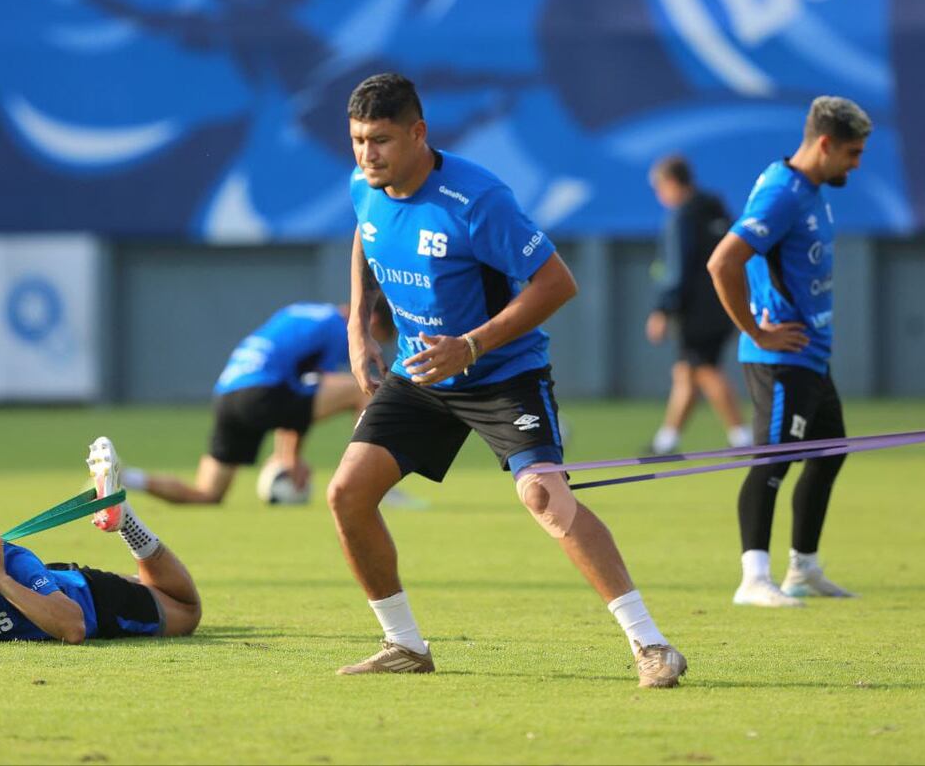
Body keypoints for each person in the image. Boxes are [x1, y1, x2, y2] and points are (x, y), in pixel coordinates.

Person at [328, 72, 687, 687]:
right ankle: (404, 644)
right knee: (346, 494)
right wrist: (359, 329)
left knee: (545, 497)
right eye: (358, 140)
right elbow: (366, 236)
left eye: (380, 140)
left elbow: (557, 284)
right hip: (421, 373)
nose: (367, 154)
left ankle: (651, 645)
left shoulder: (478, 199)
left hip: (502, 374)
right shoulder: (366, 184)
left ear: (418, 133)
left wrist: (470, 346)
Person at [706, 96, 871, 607]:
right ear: (825, 144)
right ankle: (753, 578)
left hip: (811, 353)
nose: (856, 164)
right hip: (781, 358)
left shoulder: (809, 189)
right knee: (772, 461)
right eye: (852, 152)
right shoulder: (782, 194)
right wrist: (757, 332)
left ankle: (803, 567)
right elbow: (723, 262)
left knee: (829, 452)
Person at [0, 437, 201, 644]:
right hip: (58, 578)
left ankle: (127, 522)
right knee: (153, 587)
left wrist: (2, 582)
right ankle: (123, 517)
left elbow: (73, 628)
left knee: (187, 612)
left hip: (99, 601)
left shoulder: (8, 561)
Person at [122, 300, 396, 505]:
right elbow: (307, 391)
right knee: (364, 389)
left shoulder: (301, 311)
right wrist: (290, 459)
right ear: (371, 320)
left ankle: (125, 478)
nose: (370, 347)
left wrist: (288, 456)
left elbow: (297, 394)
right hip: (261, 393)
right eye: (375, 340)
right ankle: (372, 483)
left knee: (207, 494)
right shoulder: (337, 328)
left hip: (227, 395)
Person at [645, 155, 752, 454]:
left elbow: (677, 269)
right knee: (686, 372)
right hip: (726, 302)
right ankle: (667, 440)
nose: (660, 196)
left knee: (705, 369)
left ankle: (742, 437)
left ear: (671, 183)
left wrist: (663, 310)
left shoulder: (682, 217)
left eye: (659, 188)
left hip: (697, 312)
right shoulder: (717, 210)